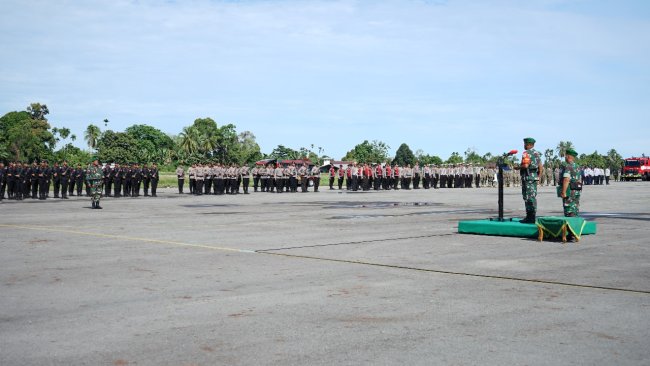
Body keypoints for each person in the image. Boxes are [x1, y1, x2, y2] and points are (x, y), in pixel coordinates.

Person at [520, 137, 543, 223]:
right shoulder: (537, 154)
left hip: (528, 177)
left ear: (528, 144)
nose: (524, 145)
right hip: (534, 177)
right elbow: (541, 167)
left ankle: (530, 217)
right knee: (532, 197)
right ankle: (532, 216)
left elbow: (525, 166)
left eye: (525, 144)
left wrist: (518, 167)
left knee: (528, 197)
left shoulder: (526, 153)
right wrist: (538, 178)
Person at [560, 149, 581, 217]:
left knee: (569, 210)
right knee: (575, 208)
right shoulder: (577, 166)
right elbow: (579, 179)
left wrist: (563, 192)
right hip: (576, 190)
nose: (565, 157)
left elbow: (566, 179)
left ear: (568, 156)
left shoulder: (568, 166)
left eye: (566, 156)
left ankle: (570, 226)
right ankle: (576, 225)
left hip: (569, 191)